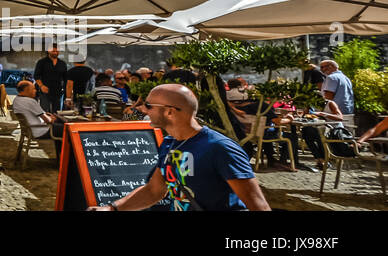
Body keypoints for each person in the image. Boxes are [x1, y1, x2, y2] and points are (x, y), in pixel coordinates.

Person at [92, 83, 269, 211]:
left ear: (169, 111)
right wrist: (112, 208)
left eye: (148, 105)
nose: (143, 110)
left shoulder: (220, 148)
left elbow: (258, 205)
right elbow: (154, 190)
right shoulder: (170, 143)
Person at [11, 79, 63, 154]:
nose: (35, 91)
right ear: (26, 90)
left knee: (59, 127)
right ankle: (66, 160)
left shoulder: (16, 100)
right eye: (33, 89)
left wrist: (48, 116)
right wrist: (52, 119)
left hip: (29, 130)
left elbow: (39, 114)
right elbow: (48, 120)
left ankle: (61, 159)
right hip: (39, 131)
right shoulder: (30, 101)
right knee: (65, 130)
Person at [33, 45, 68, 113]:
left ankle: (55, 123)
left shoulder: (62, 63)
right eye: (53, 51)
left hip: (57, 91)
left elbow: (65, 78)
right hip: (45, 90)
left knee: (56, 112)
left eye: (57, 51)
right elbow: (36, 76)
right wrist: (41, 86)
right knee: (45, 110)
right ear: (48, 51)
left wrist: (65, 89)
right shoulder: (42, 62)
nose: (55, 53)